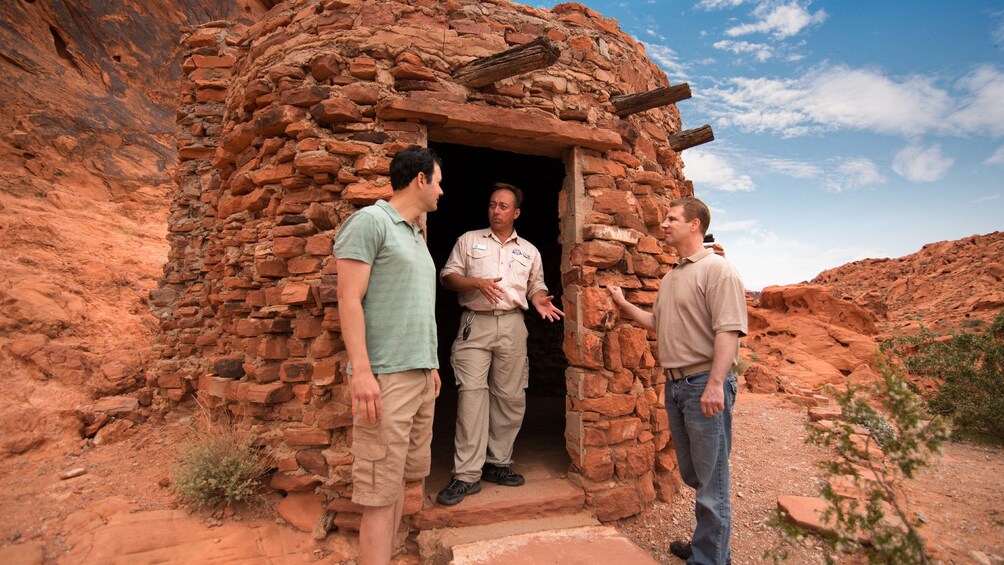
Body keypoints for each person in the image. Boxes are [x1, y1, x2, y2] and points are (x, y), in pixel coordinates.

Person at [607, 197, 747, 565]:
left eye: (672, 219)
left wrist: (717, 383)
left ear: (695, 225)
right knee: (696, 474)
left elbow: (729, 330)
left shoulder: (717, 270)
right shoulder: (673, 277)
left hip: (704, 383)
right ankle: (708, 546)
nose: (664, 224)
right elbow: (658, 324)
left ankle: (711, 559)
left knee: (712, 480)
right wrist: (624, 305)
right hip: (677, 386)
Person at [334, 145, 444, 565]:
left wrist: (430, 363)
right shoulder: (370, 222)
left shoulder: (415, 232)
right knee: (379, 490)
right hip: (385, 378)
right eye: (439, 181)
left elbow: (417, 304)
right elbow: (348, 299)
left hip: (417, 376)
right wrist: (361, 372)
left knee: (398, 479)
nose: (442, 191)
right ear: (421, 179)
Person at [435, 183, 564, 506]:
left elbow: (536, 286)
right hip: (474, 324)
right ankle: (466, 475)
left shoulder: (530, 251)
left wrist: (539, 300)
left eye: (503, 206)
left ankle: (498, 463)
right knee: (471, 399)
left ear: (516, 212)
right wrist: (475, 282)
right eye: (492, 204)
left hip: (511, 325)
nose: (496, 211)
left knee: (510, 397)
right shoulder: (469, 240)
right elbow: (448, 277)